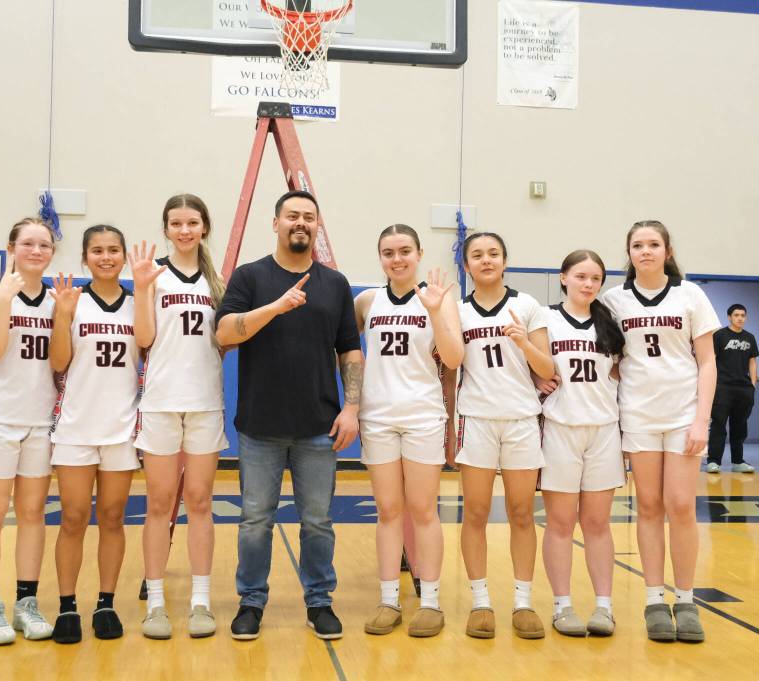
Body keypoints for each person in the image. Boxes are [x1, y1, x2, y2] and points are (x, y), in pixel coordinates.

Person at [214, 189, 363, 641]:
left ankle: (319, 602)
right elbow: (225, 333)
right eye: (292, 215)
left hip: (318, 427)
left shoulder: (334, 284)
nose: (301, 222)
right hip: (260, 426)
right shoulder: (250, 276)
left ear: (317, 226)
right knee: (255, 521)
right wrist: (276, 307)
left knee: (317, 522)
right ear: (276, 223)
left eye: (309, 217)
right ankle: (251, 602)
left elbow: (350, 350)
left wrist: (352, 407)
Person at [602, 220, 718, 643]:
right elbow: (610, 362)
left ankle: (685, 600)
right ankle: (654, 600)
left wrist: (701, 420)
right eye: (638, 245)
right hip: (638, 415)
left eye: (653, 244)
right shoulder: (613, 301)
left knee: (681, 505)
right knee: (648, 506)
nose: (646, 251)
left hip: (683, 414)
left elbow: (707, 361)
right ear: (629, 253)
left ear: (667, 251)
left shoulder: (691, 294)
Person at [355, 225, 462, 638]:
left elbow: (453, 358)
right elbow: (345, 350)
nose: (396, 259)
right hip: (378, 417)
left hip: (423, 416)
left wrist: (435, 312)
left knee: (423, 509)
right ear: (380, 257)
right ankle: (388, 601)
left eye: (404, 251)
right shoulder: (367, 301)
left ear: (418, 253)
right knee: (387, 511)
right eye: (388, 252)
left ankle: (431, 602)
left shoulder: (439, 298)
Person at [130, 194, 229, 639]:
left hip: (205, 402)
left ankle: (200, 601)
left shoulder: (217, 282)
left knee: (201, 502)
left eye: (192, 223)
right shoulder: (154, 276)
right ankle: (155, 603)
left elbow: (225, 341)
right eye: (176, 223)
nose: (185, 230)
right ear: (166, 229)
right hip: (160, 402)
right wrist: (142, 289)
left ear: (204, 227)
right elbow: (144, 338)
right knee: (158, 503)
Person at [456, 231, 554, 641]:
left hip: (521, 419)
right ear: (466, 265)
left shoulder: (527, 305)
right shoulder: (457, 311)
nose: (486, 260)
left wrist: (524, 344)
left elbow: (547, 369)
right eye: (477, 255)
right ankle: (480, 602)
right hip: (477, 418)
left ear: (505, 261)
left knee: (521, 512)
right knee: (476, 512)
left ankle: (523, 602)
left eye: (493, 253)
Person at [48, 225, 140, 644]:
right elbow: (58, 362)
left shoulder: (137, 304)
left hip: (121, 427)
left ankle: (106, 602)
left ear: (124, 256)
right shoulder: (72, 301)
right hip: (76, 426)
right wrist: (62, 316)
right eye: (97, 251)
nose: (106, 257)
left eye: (113, 250)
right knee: (72, 517)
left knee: (113, 517)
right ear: (85, 258)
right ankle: (67, 606)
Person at [0, 218, 58, 645]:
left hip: (41, 418)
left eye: (44, 245)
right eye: (28, 243)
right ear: (11, 248)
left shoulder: (57, 299)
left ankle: (27, 603)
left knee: (32, 514)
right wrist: (6, 299)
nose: (36, 251)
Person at [535, 250, 626, 637]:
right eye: (581, 276)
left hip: (604, 430)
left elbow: (619, 374)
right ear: (563, 278)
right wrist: (537, 380)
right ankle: (562, 606)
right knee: (559, 524)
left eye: (595, 279)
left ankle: (604, 607)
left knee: (597, 524)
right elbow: (532, 365)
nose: (588, 284)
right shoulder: (546, 318)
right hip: (560, 429)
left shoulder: (610, 324)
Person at [707, 304, 759, 474]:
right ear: (729, 317)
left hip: (744, 389)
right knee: (718, 425)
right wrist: (711, 383)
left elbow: (752, 362)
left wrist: (752, 385)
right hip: (722, 387)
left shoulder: (750, 338)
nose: (740, 318)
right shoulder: (719, 336)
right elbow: (711, 360)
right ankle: (714, 461)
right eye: (736, 315)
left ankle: (738, 461)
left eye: (743, 315)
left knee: (740, 427)